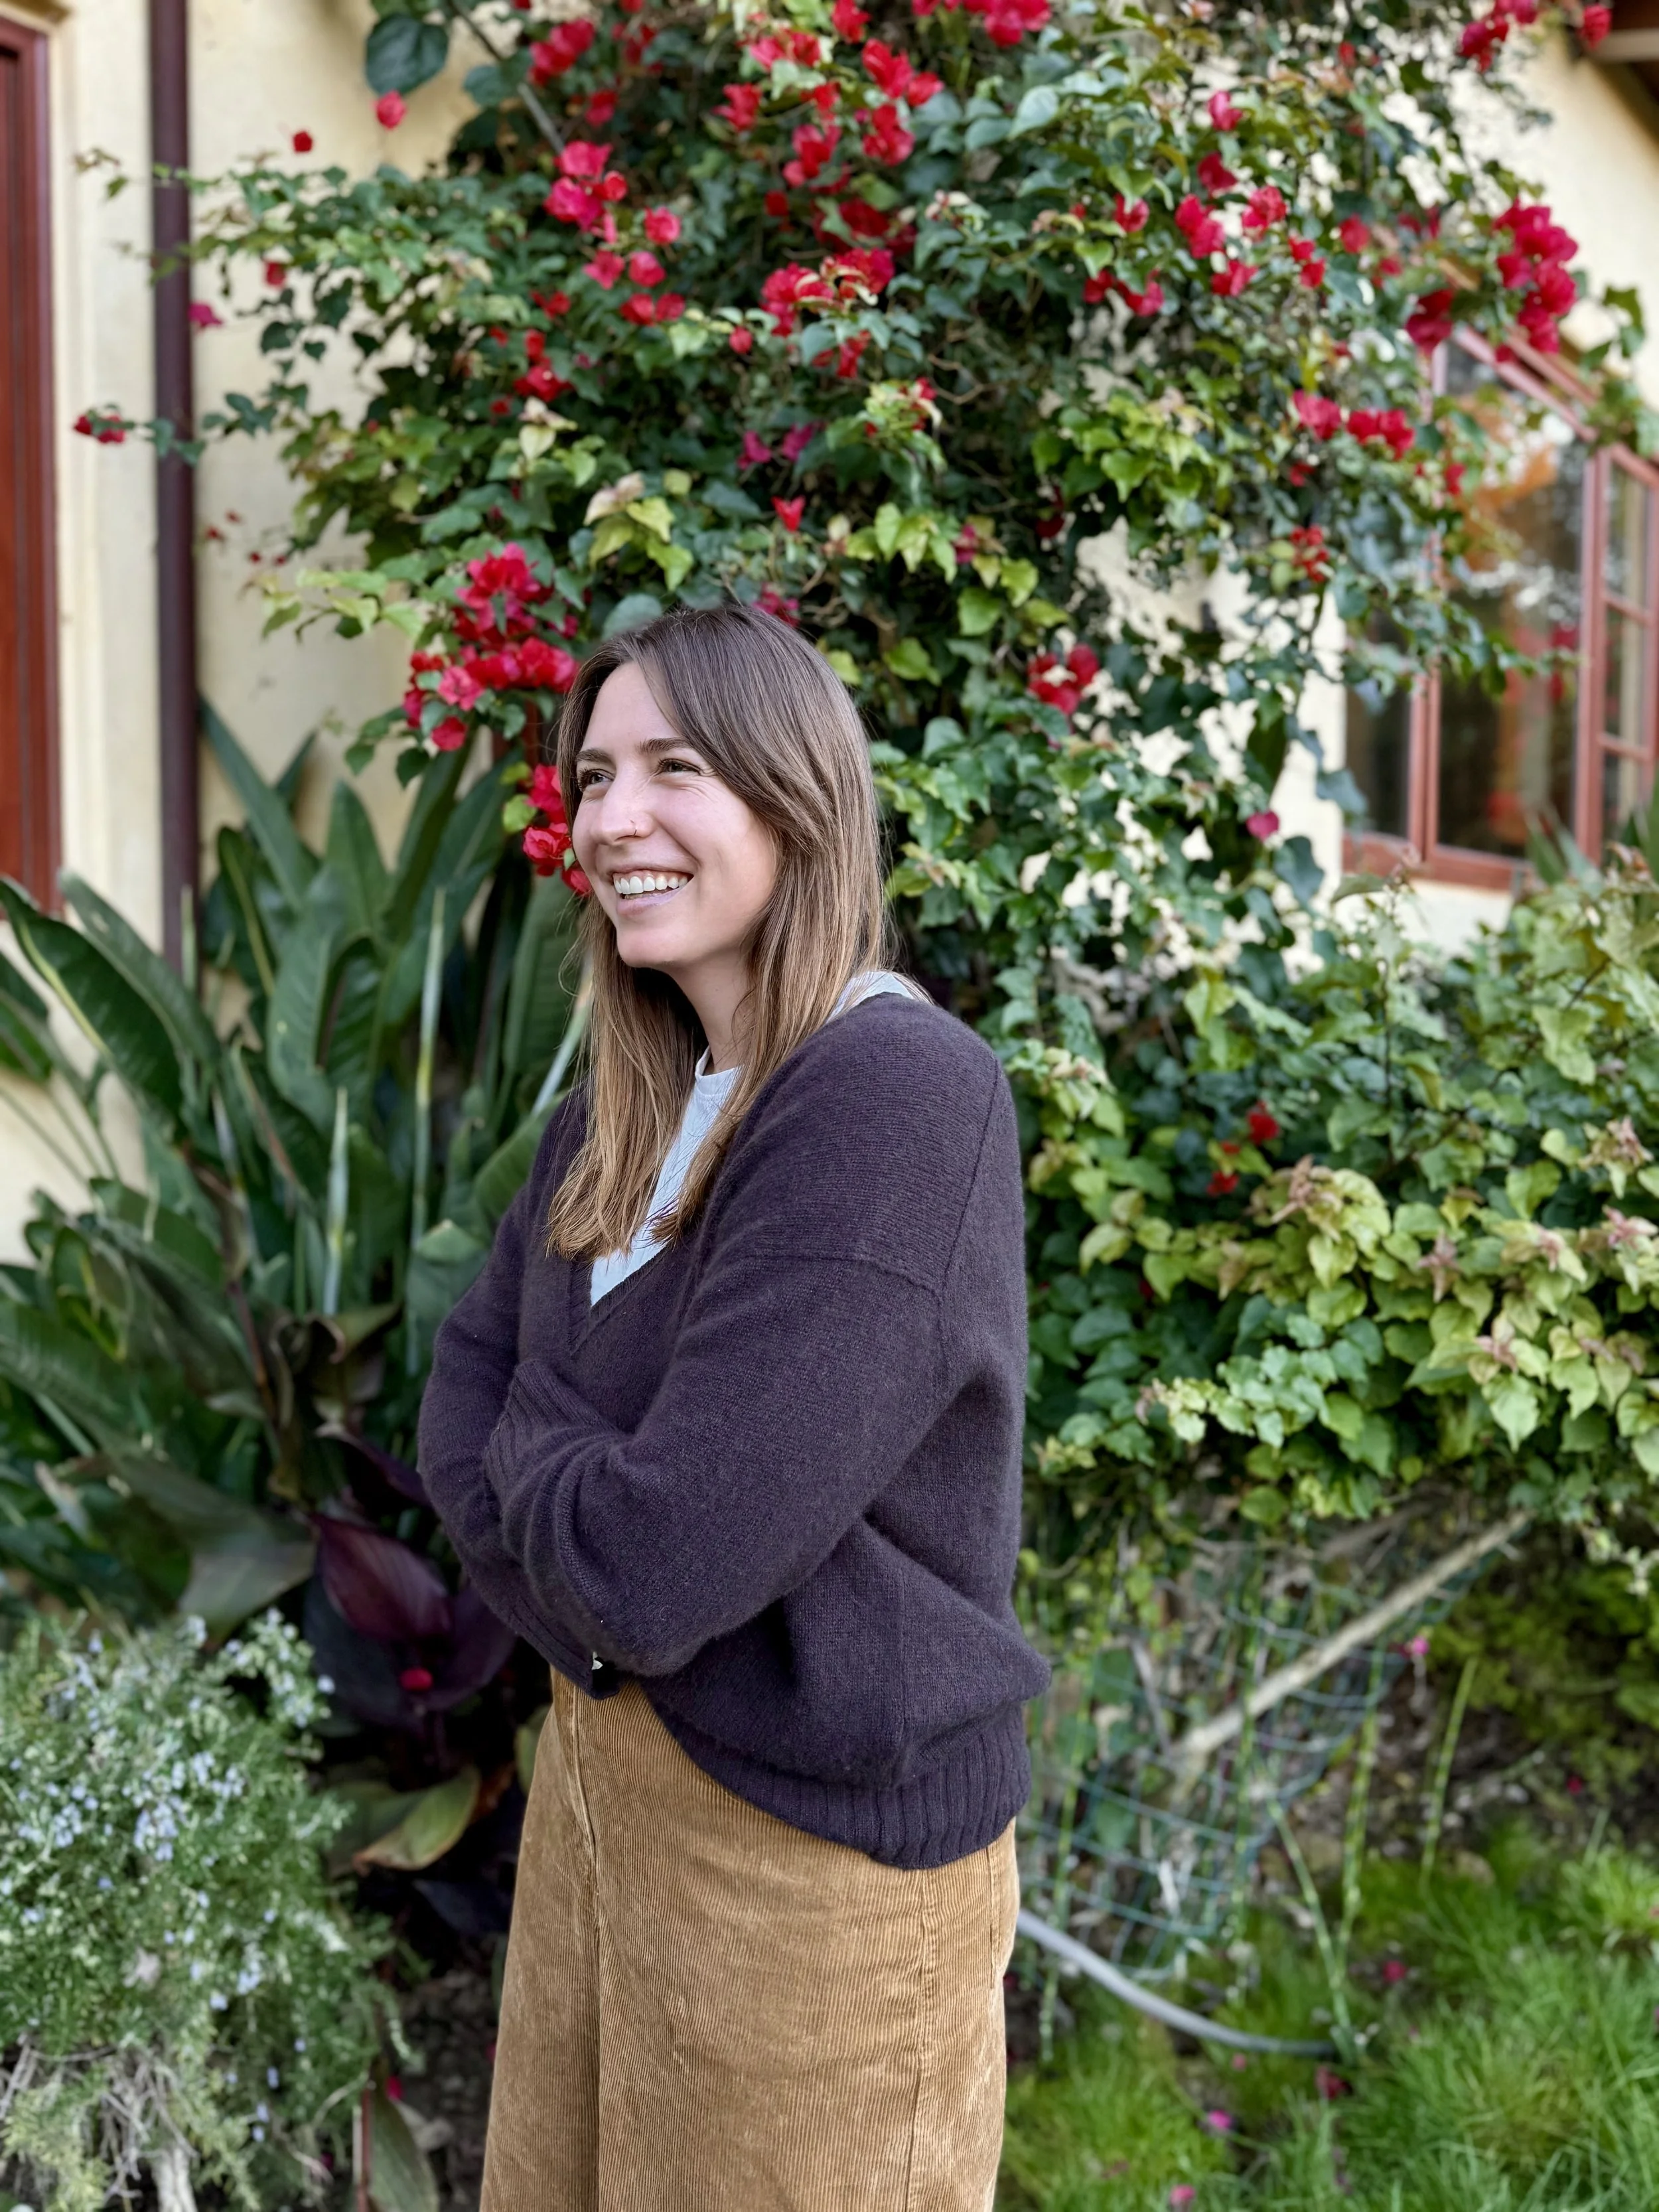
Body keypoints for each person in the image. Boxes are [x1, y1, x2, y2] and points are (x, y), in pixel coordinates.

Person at [417, 601, 1051, 2212]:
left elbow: (662, 1559)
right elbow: (454, 1412)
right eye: (596, 775)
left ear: (793, 794)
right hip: (601, 1810)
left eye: (672, 768)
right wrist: (582, 1487)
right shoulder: (618, 1111)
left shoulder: (894, 1099)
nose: (611, 817)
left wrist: (550, 1475)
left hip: (815, 1868)